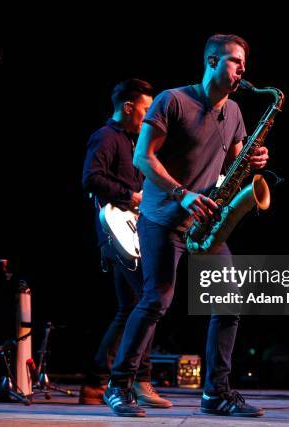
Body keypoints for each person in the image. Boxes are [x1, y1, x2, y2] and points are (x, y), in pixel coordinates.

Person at [103, 34, 269, 417]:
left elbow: (233, 168)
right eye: (234, 60)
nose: (243, 68)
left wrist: (254, 159)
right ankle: (119, 383)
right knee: (157, 300)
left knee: (229, 304)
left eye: (244, 61)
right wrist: (182, 193)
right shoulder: (173, 100)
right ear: (211, 62)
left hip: (206, 224)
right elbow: (144, 159)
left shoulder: (237, 113)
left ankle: (216, 393)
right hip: (162, 217)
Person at [80, 79, 172, 408]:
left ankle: (100, 383)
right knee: (146, 301)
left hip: (130, 231)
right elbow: (90, 178)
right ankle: (131, 380)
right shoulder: (106, 137)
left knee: (132, 306)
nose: (148, 117)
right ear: (129, 106)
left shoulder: (133, 142)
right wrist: (130, 194)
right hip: (115, 232)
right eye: (145, 110)